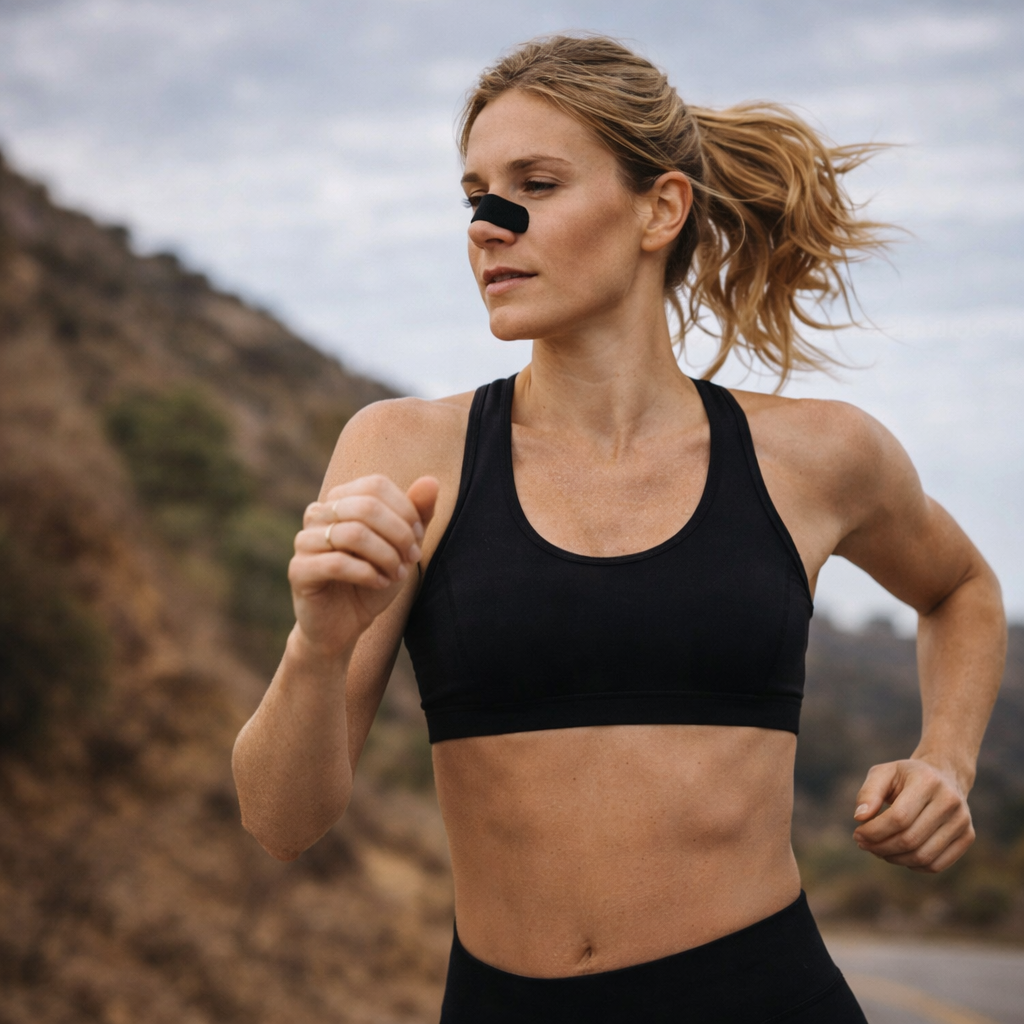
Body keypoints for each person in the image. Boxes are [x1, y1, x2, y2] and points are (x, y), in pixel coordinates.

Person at [232, 35, 1006, 1022]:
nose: (487, 224)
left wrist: (946, 757)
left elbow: (961, 589)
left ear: (660, 208)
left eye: (535, 184)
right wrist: (316, 642)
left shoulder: (817, 455)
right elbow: (279, 822)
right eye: (474, 193)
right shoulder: (402, 452)